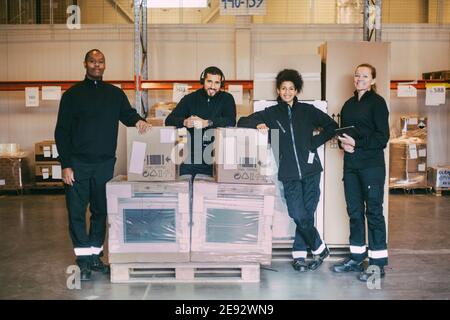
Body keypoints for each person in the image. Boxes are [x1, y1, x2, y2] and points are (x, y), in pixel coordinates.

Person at [54, 49, 151, 281]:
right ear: (85, 64)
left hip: (104, 164)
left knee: (100, 211)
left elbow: (127, 115)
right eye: (92, 61)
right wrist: (66, 164)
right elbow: (62, 131)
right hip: (77, 164)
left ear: (105, 65)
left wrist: (139, 121)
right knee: (77, 213)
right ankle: (83, 260)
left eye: (101, 62)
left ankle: (96, 257)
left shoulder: (114, 94)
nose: (97, 65)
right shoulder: (72, 96)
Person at [238, 69, 338, 272]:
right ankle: (320, 248)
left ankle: (299, 256)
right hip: (289, 173)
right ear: (278, 89)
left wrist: (314, 142)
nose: (287, 92)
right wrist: (258, 124)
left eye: (291, 88)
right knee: (297, 213)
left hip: (311, 171)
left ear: (296, 90)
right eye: (283, 88)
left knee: (307, 214)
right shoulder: (271, 113)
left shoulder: (308, 111)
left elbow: (332, 126)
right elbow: (242, 121)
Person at [332, 63, 389, 282]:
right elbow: (344, 135)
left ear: (373, 80)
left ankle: (377, 264)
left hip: (371, 166)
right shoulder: (348, 104)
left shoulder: (377, 103)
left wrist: (358, 144)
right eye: (357, 75)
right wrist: (343, 144)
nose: (359, 78)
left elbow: (382, 137)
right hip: (351, 166)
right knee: (354, 212)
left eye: (364, 76)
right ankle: (356, 258)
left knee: (373, 212)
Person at [165, 66, 236, 177]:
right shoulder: (190, 99)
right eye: (209, 81)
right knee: (187, 190)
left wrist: (207, 122)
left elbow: (231, 121)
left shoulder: (227, 99)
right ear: (203, 81)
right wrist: (184, 122)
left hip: (216, 157)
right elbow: (169, 120)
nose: (213, 86)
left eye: (217, 83)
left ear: (221, 84)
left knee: (212, 192)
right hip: (192, 158)